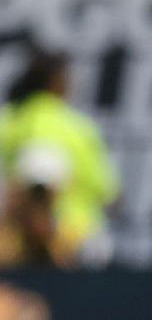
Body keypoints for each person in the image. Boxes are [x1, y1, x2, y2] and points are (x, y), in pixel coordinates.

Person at [0, 48, 119, 268]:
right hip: (63, 243)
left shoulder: (7, 121)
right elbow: (110, 197)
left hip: (67, 247)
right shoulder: (77, 129)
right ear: (57, 81)